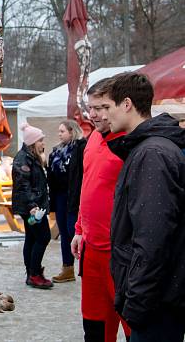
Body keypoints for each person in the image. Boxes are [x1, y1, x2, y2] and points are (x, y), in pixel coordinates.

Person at [105, 72, 185, 341]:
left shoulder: (152, 154)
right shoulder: (148, 148)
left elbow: (153, 238)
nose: (105, 116)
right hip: (158, 298)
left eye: (108, 107)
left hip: (156, 303)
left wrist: (137, 302)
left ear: (126, 104)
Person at [70, 77, 131, 342]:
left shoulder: (132, 142)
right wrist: (79, 229)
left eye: (102, 107)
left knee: (134, 328)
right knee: (95, 328)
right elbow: (88, 185)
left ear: (121, 106)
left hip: (123, 253)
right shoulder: (93, 137)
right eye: (90, 107)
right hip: (92, 251)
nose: (93, 114)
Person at [12, 123, 53, 289]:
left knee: (32, 237)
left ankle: (32, 272)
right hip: (32, 208)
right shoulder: (23, 159)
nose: (43, 143)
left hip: (34, 205)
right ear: (32, 142)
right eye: (41, 141)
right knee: (43, 236)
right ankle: (34, 274)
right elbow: (23, 185)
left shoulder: (32, 157)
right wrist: (32, 206)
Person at [47, 119, 86, 283]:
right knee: (64, 232)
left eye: (62, 131)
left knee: (73, 231)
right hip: (61, 197)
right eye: (59, 131)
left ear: (72, 132)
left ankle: (85, 268)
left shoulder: (81, 148)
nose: (59, 134)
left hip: (76, 197)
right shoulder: (56, 152)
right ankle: (67, 268)